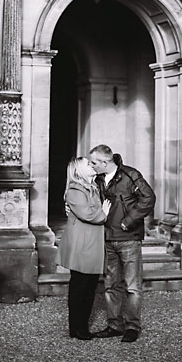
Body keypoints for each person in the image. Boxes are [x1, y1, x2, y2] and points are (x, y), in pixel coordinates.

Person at [88, 145, 156, 343]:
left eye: (94, 163)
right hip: (108, 239)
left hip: (129, 239)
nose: (91, 166)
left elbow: (149, 198)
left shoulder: (130, 175)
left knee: (133, 286)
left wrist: (129, 220)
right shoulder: (98, 179)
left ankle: (132, 326)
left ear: (105, 162)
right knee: (111, 285)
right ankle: (114, 325)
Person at [57, 157, 111, 340]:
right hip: (82, 245)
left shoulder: (93, 187)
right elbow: (89, 215)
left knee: (89, 288)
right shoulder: (74, 189)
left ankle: (82, 327)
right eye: (88, 164)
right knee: (80, 287)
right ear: (78, 170)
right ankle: (77, 328)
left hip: (91, 244)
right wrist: (104, 212)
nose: (92, 165)